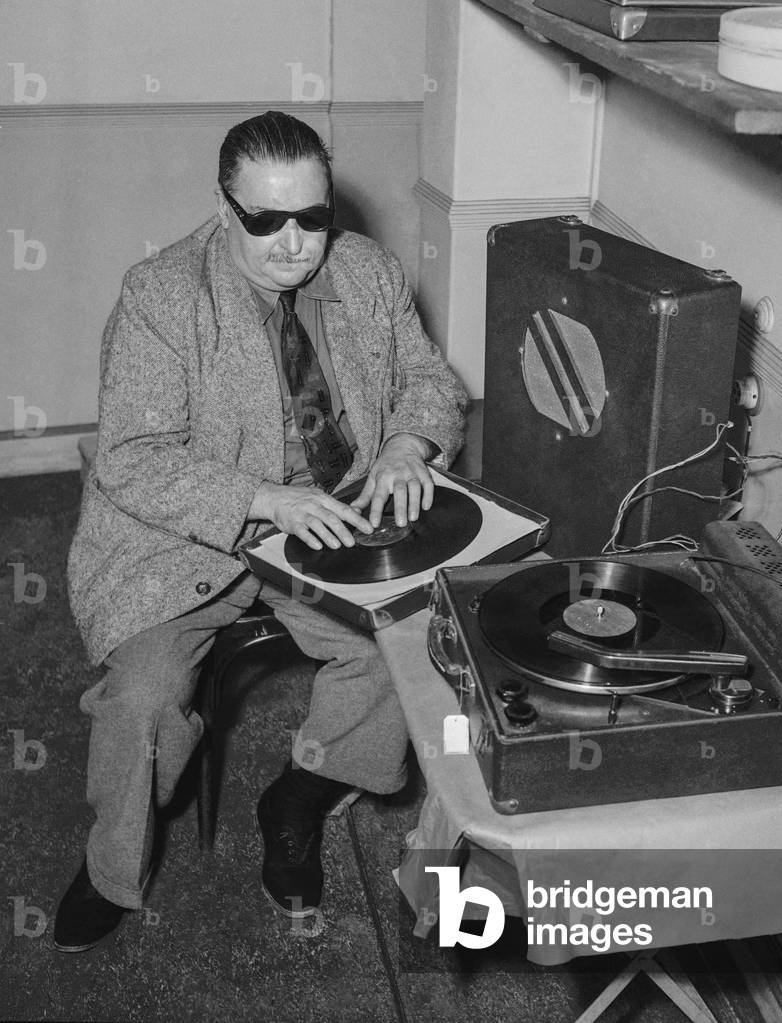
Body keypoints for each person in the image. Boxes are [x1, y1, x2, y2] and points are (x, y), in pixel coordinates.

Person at [54, 110, 467, 952]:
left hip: (336, 512)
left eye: (311, 218)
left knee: (413, 645)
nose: (292, 244)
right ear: (222, 206)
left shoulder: (368, 271)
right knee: (143, 702)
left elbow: (428, 376)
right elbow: (132, 460)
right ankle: (110, 866)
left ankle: (301, 795)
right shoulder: (160, 294)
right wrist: (261, 500)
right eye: (264, 219)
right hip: (182, 537)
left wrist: (404, 443)